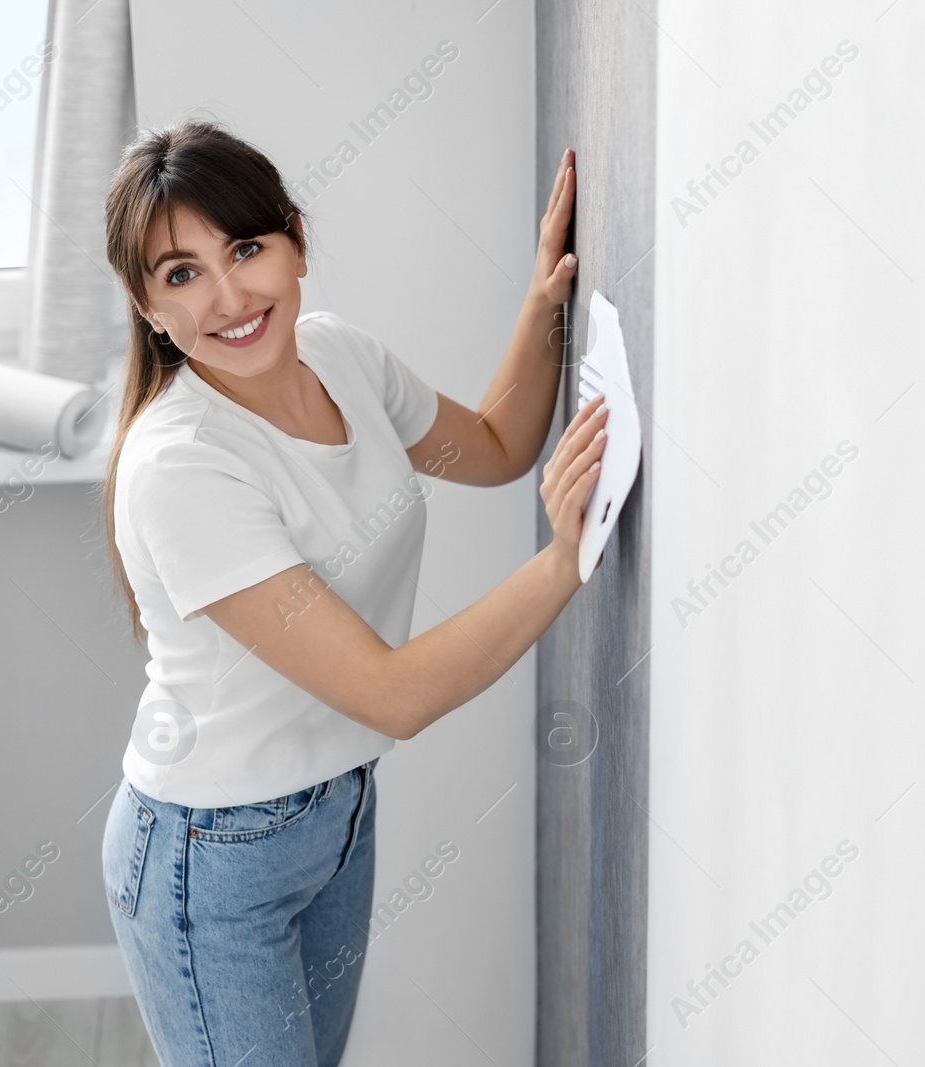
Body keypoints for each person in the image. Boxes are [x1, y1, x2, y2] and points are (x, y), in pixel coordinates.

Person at [99, 120, 603, 1067]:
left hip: (336, 815)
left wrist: (547, 299)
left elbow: (493, 447)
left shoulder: (340, 357)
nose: (229, 295)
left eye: (246, 248)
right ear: (148, 306)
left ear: (295, 243)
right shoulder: (183, 467)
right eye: (182, 273)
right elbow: (391, 693)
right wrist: (561, 562)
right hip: (212, 859)